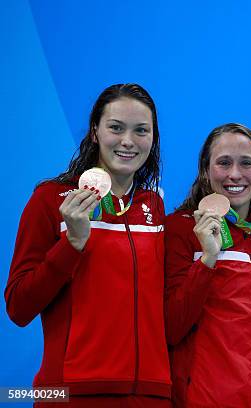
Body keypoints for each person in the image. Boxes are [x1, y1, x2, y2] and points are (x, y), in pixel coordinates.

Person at [5, 84, 171, 407]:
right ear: (95, 131)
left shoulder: (154, 206)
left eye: (141, 130)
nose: (128, 141)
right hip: (72, 395)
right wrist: (72, 244)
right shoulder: (50, 200)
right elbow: (19, 307)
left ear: (153, 139)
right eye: (115, 127)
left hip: (150, 396)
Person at [164, 123, 251, 407]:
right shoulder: (180, 229)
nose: (235, 174)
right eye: (224, 162)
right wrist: (207, 260)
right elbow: (171, 327)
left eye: (246, 163)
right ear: (205, 170)